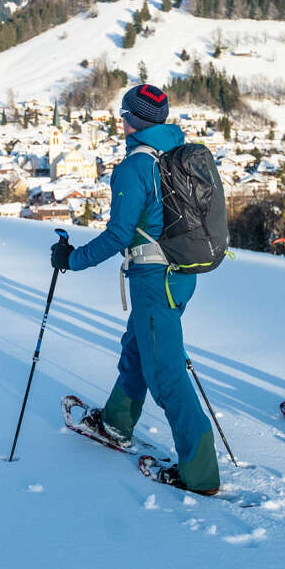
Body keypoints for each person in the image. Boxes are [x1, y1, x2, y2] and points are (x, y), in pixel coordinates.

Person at [50, 84, 220, 495]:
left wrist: (70, 260)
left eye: (123, 114)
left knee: (166, 375)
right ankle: (116, 423)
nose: (120, 121)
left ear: (133, 121)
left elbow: (117, 235)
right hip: (182, 275)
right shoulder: (178, 151)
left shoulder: (134, 168)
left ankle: (200, 474)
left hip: (153, 278)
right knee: (138, 347)